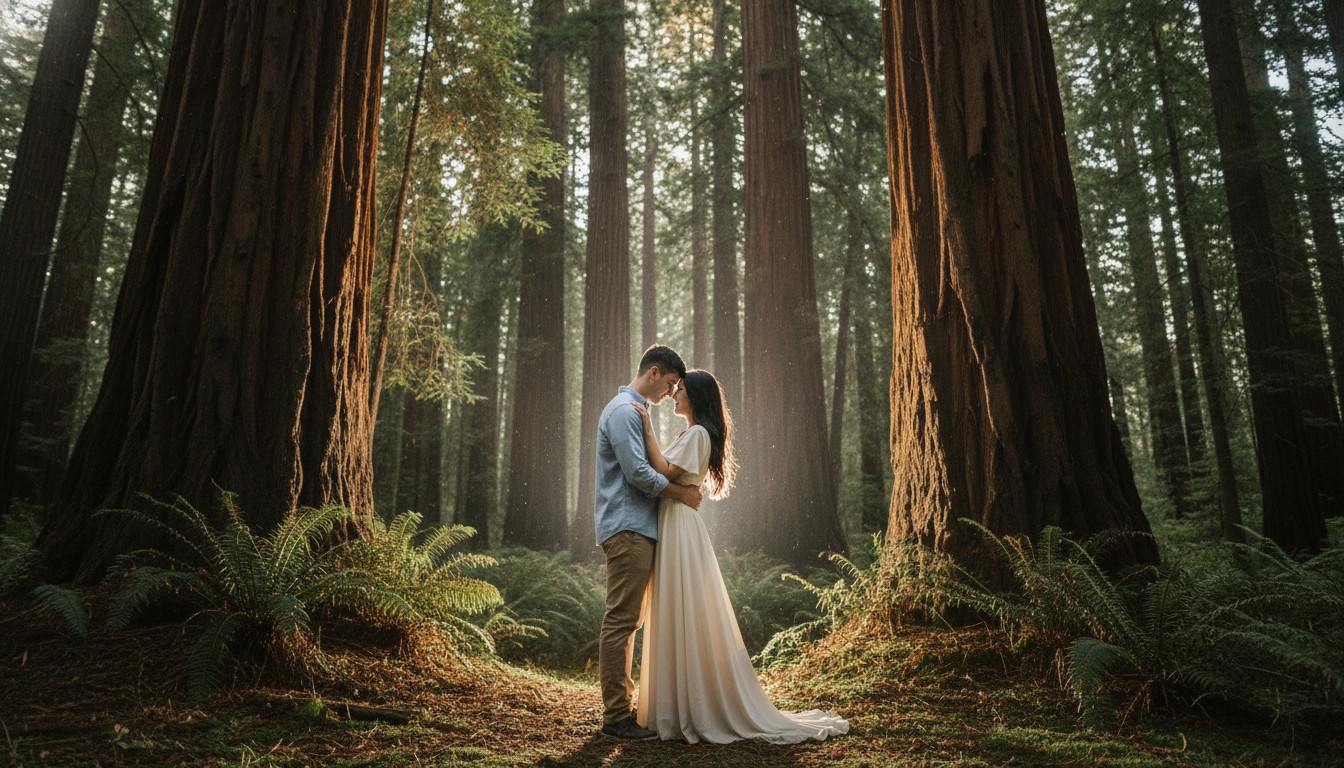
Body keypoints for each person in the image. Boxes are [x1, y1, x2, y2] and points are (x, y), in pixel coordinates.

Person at [631, 369, 849, 744]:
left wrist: (646, 428)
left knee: (684, 607)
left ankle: (689, 706)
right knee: (675, 607)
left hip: (680, 526)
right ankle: (673, 703)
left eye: (679, 390)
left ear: (696, 397)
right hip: (675, 521)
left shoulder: (697, 434)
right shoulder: (693, 433)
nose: (674, 395)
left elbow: (664, 470)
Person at [594, 344, 703, 741]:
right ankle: (616, 718)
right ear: (653, 372)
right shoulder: (625, 412)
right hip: (628, 528)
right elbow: (638, 473)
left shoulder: (638, 413)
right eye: (670, 384)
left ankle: (622, 710)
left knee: (630, 621)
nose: (670, 393)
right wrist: (682, 493)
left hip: (637, 528)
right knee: (621, 620)